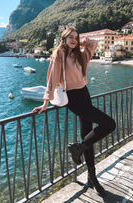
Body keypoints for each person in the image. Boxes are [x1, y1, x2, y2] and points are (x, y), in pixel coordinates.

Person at [32, 27, 116, 197]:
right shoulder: (59, 54)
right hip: (72, 98)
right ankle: (78, 148)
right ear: (63, 37)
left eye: (76, 38)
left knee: (88, 136)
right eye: (70, 37)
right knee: (109, 124)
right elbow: (51, 79)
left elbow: (94, 43)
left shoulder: (79, 54)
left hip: (85, 93)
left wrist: (81, 41)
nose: (73, 40)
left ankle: (92, 178)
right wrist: (45, 102)